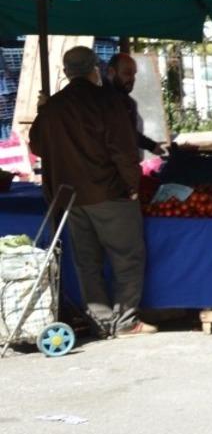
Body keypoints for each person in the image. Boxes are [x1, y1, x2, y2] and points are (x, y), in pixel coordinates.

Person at [29, 47, 155, 338]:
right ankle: (124, 322)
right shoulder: (106, 101)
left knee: (87, 261)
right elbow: (123, 150)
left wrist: (43, 112)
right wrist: (132, 186)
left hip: (71, 197)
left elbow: (37, 146)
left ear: (66, 73)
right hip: (108, 192)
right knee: (127, 257)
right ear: (94, 69)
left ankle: (100, 321)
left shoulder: (53, 108)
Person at [105, 53, 166, 156]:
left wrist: (152, 146)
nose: (132, 79)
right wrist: (151, 146)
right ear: (112, 72)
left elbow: (129, 133)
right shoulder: (101, 100)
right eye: (127, 73)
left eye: (134, 74)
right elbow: (123, 134)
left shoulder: (128, 102)